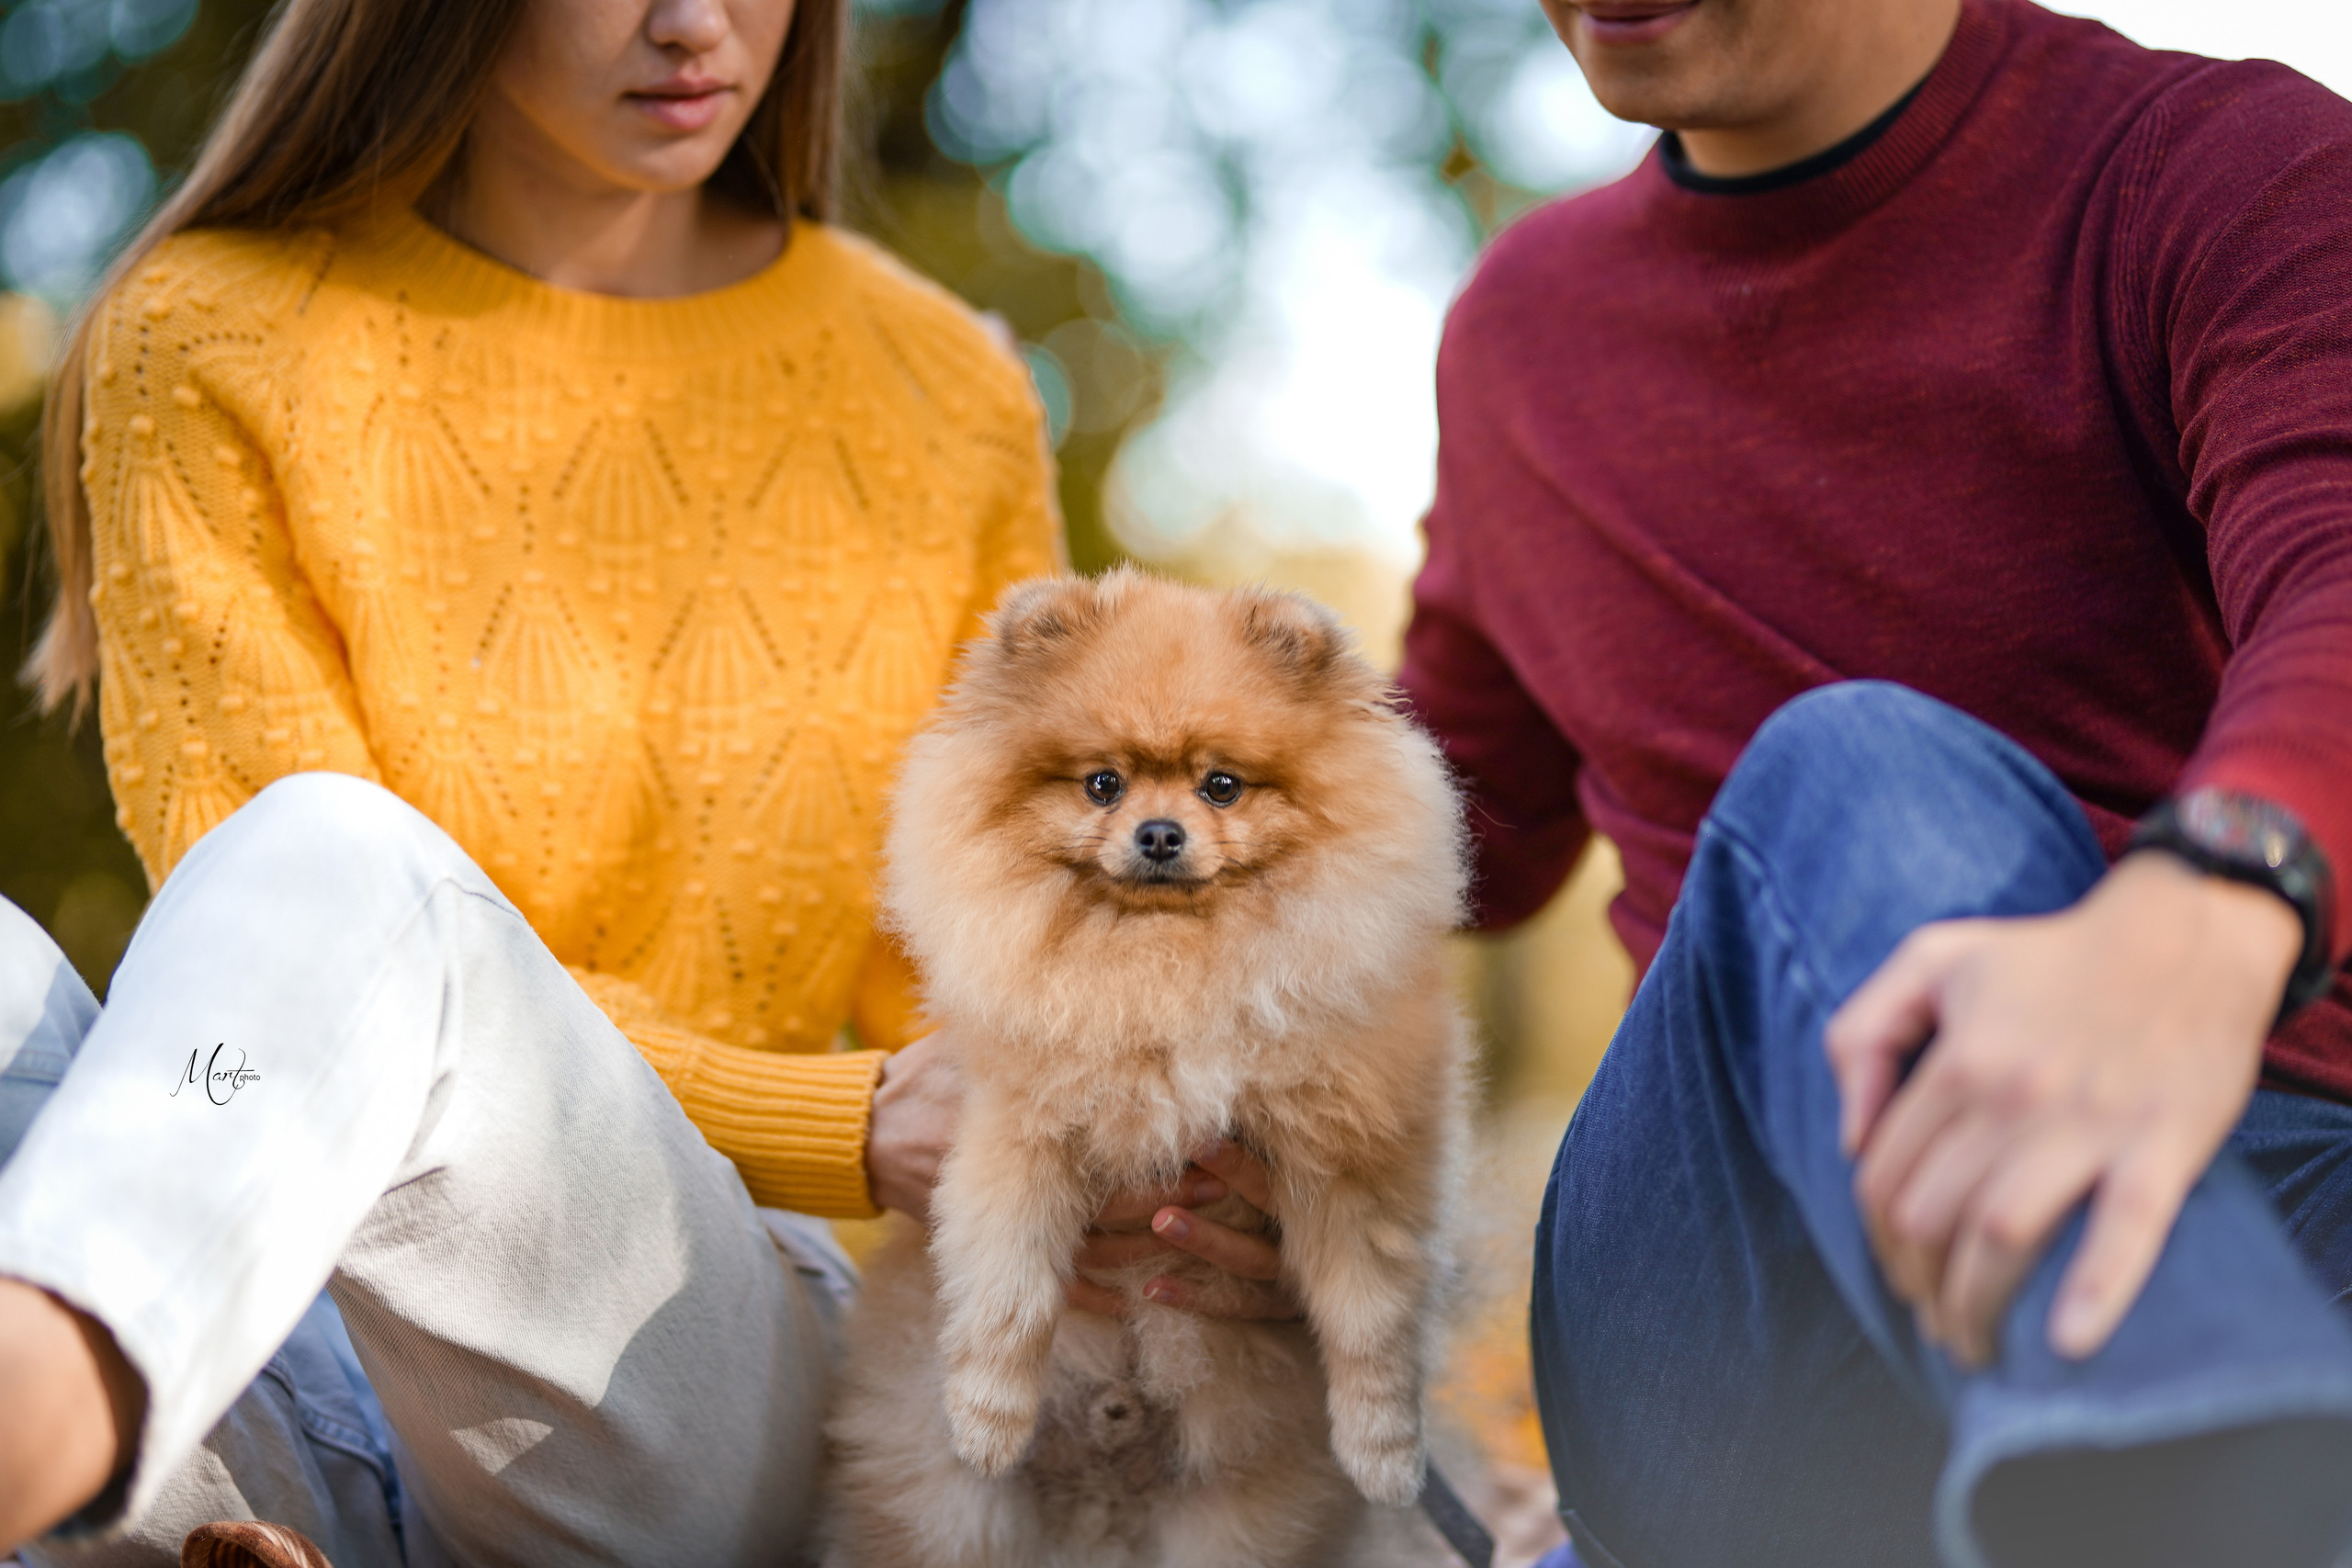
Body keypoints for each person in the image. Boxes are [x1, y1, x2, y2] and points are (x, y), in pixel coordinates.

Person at [0, 0, 1284, 1562]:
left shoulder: (935, 389)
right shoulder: (209, 335)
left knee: (338, 857)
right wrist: (851, 1113)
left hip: (688, 1348)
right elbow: (282, 949)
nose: (694, 23)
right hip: (255, 1362)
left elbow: (1008, 974)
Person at [1396, 0, 2352, 1563]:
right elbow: (1448, 832)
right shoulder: (1522, 330)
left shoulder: (2219, 172)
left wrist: (2209, 901)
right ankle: (2197, 1483)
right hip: (1735, 1303)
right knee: (1850, 770)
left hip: (2271, 1170)